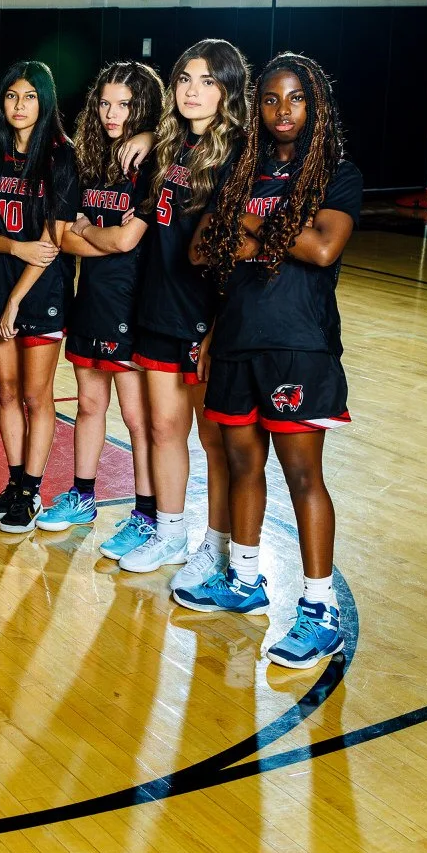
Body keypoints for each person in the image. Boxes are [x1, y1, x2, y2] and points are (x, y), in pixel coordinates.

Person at [182, 53, 360, 669]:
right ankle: (246, 578)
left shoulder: (336, 174)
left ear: (315, 106)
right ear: (256, 109)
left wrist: (251, 224)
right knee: (238, 462)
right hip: (236, 339)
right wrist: (271, 230)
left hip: (298, 344)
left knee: (303, 475)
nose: (282, 111)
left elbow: (322, 245)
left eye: (295, 99)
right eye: (270, 100)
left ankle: (319, 609)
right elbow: (204, 249)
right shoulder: (242, 169)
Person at [114, 38, 252, 584]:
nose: (193, 92)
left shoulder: (241, 153)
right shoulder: (170, 147)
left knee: (214, 440)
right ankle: (170, 532)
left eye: (207, 82)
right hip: (157, 305)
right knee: (163, 428)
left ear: (228, 90)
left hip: (205, 313)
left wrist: (219, 324)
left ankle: (216, 548)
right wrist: (149, 133)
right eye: (185, 80)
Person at [39, 62, 161, 545]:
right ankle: (83, 497)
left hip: (133, 304)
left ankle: (147, 516)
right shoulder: (87, 158)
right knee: (89, 404)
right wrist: (97, 236)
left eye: (126, 105)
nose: (113, 113)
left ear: (146, 108)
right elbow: (63, 239)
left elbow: (128, 241)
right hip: (90, 299)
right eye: (106, 103)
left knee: (136, 418)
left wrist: (91, 229)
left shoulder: (153, 162)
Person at [0, 60, 76, 535]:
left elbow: (51, 246)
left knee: (36, 395)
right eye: (12, 96)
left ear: (45, 102)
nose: (19, 105)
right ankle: (14, 484)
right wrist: (12, 246)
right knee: (6, 392)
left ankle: (32, 490)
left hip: (40, 290)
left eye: (30, 96)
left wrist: (16, 299)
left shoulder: (61, 158)